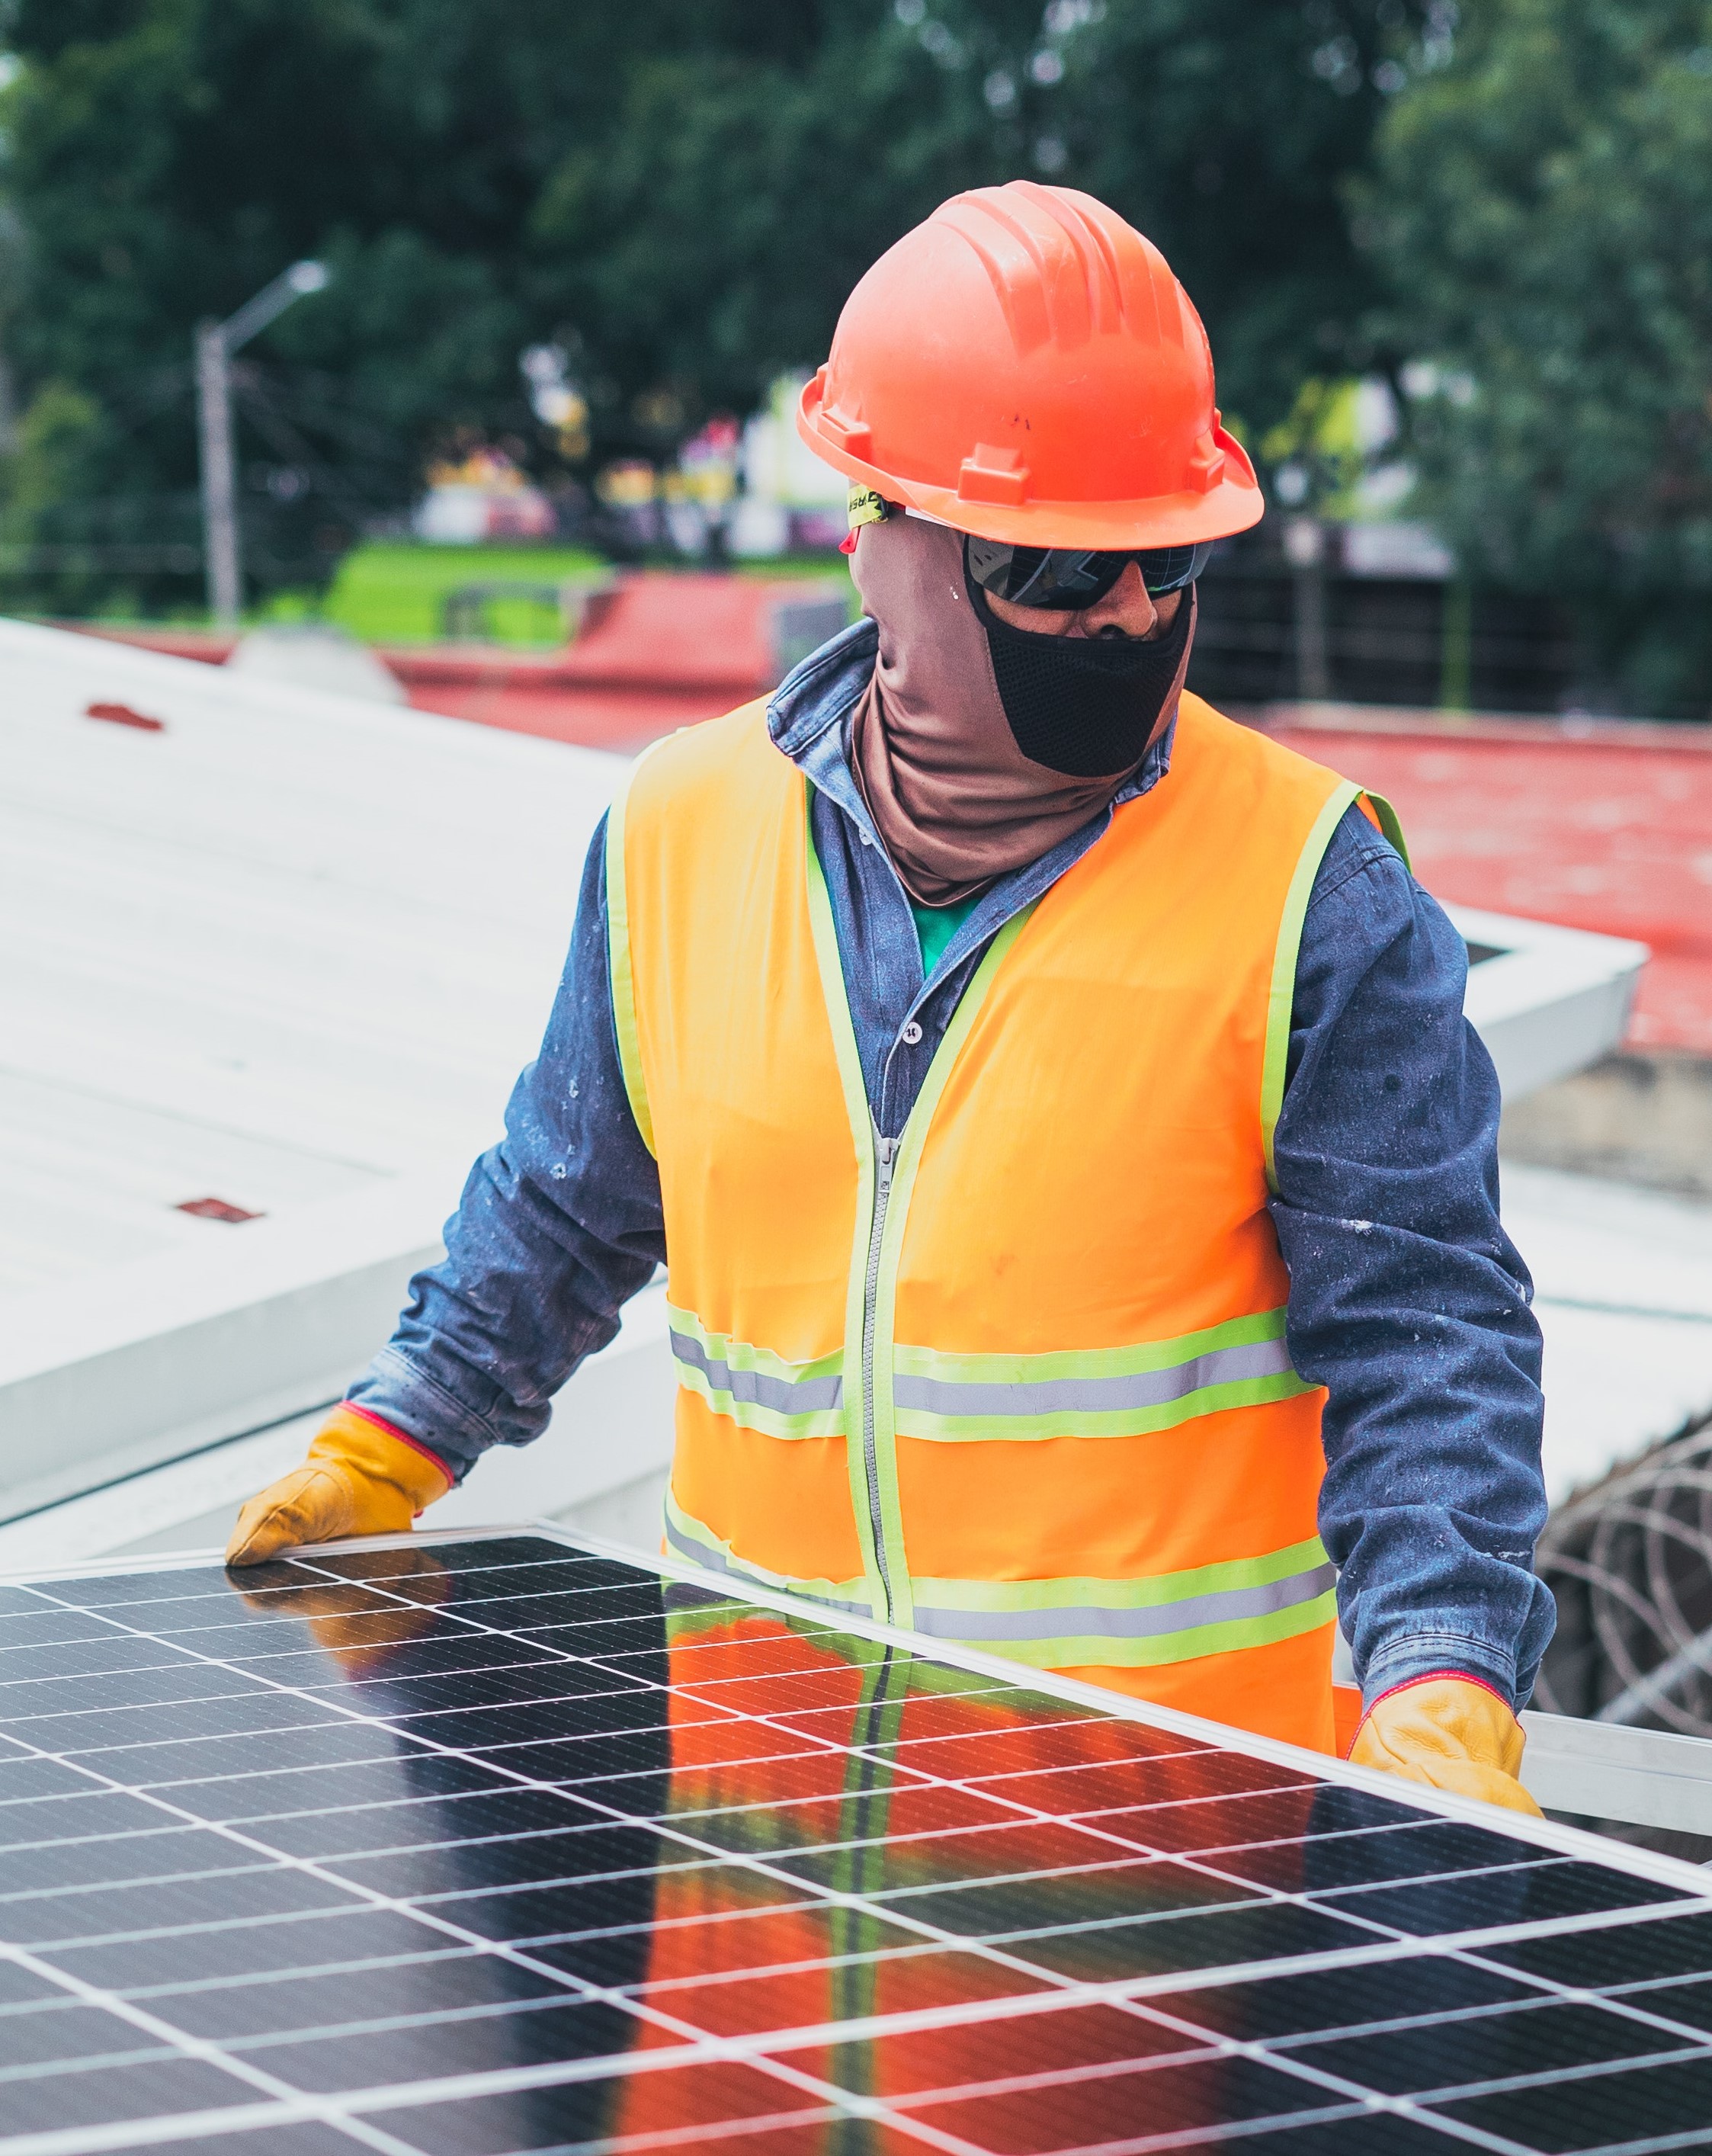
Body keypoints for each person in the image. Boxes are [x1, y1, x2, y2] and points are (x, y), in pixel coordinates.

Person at [226, 181, 1553, 1813]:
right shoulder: (675, 831)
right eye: (1063, 575)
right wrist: (393, 1440)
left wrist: (1443, 1679)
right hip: (752, 1895)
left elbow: (1429, 1340)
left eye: (1167, 562)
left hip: (1144, 1913)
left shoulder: (1315, 897)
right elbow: (569, 1202)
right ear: (888, 555)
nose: (1130, 616)